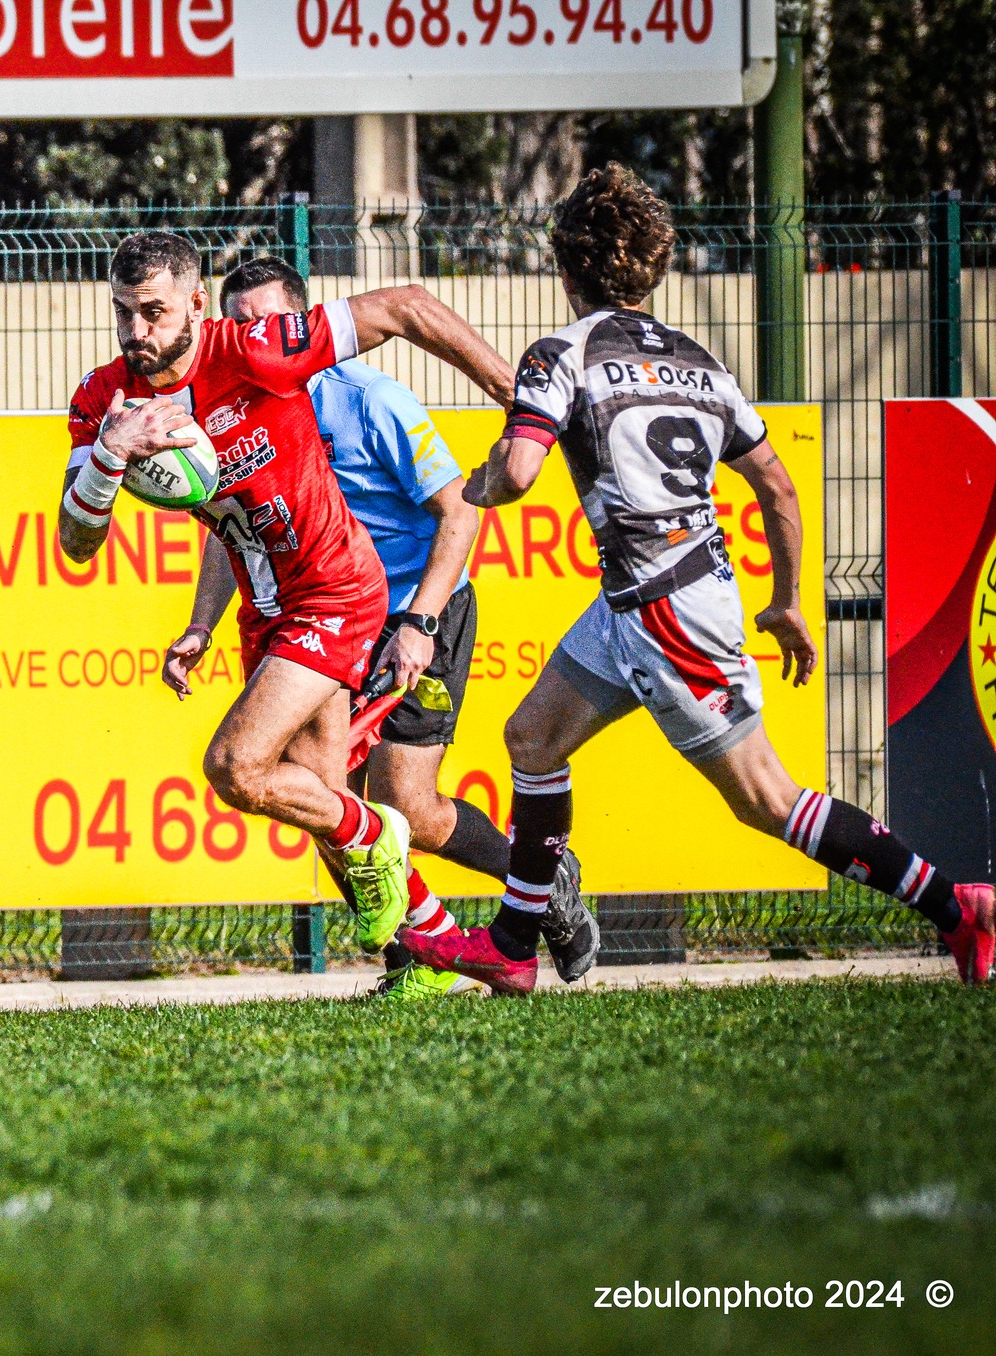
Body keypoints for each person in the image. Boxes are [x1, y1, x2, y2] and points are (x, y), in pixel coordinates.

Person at [401, 162, 996, 993]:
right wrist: (787, 601)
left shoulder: (561, 354)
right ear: (652, 267)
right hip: (643, 598)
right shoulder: (698, 360)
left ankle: (954, 905)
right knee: (532, 737)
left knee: (765, 798)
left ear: (565, 268)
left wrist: (484, 482)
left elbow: (521, 472)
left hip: (665, 610)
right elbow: (777, 487)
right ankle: (512, 945)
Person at [59, 231, 516, 966]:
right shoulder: (105, 401)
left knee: (237, 766)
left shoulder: (255, 350)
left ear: (197, 305)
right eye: (123, 312)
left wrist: (519, 403)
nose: (136, 331)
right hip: (267, 608)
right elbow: (78, 543)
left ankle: (402, 844)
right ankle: (451, 951)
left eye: (153, 312)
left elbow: (407, 304)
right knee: (319, 798)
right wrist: (110, 456)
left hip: (337, 587)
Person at [161, 255, 594, 997]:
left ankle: (542, 874)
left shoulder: (370, 399)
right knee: (324, 799)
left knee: (406, 808)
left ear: (301, 324)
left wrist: (420, 621)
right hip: (321, 615)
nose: (255, 338)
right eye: (240, 326)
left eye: (270, 322)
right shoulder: (228, 412)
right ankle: (413, 960)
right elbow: (228, 527)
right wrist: (201, 625)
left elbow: (459, 512)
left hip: (412, 608)